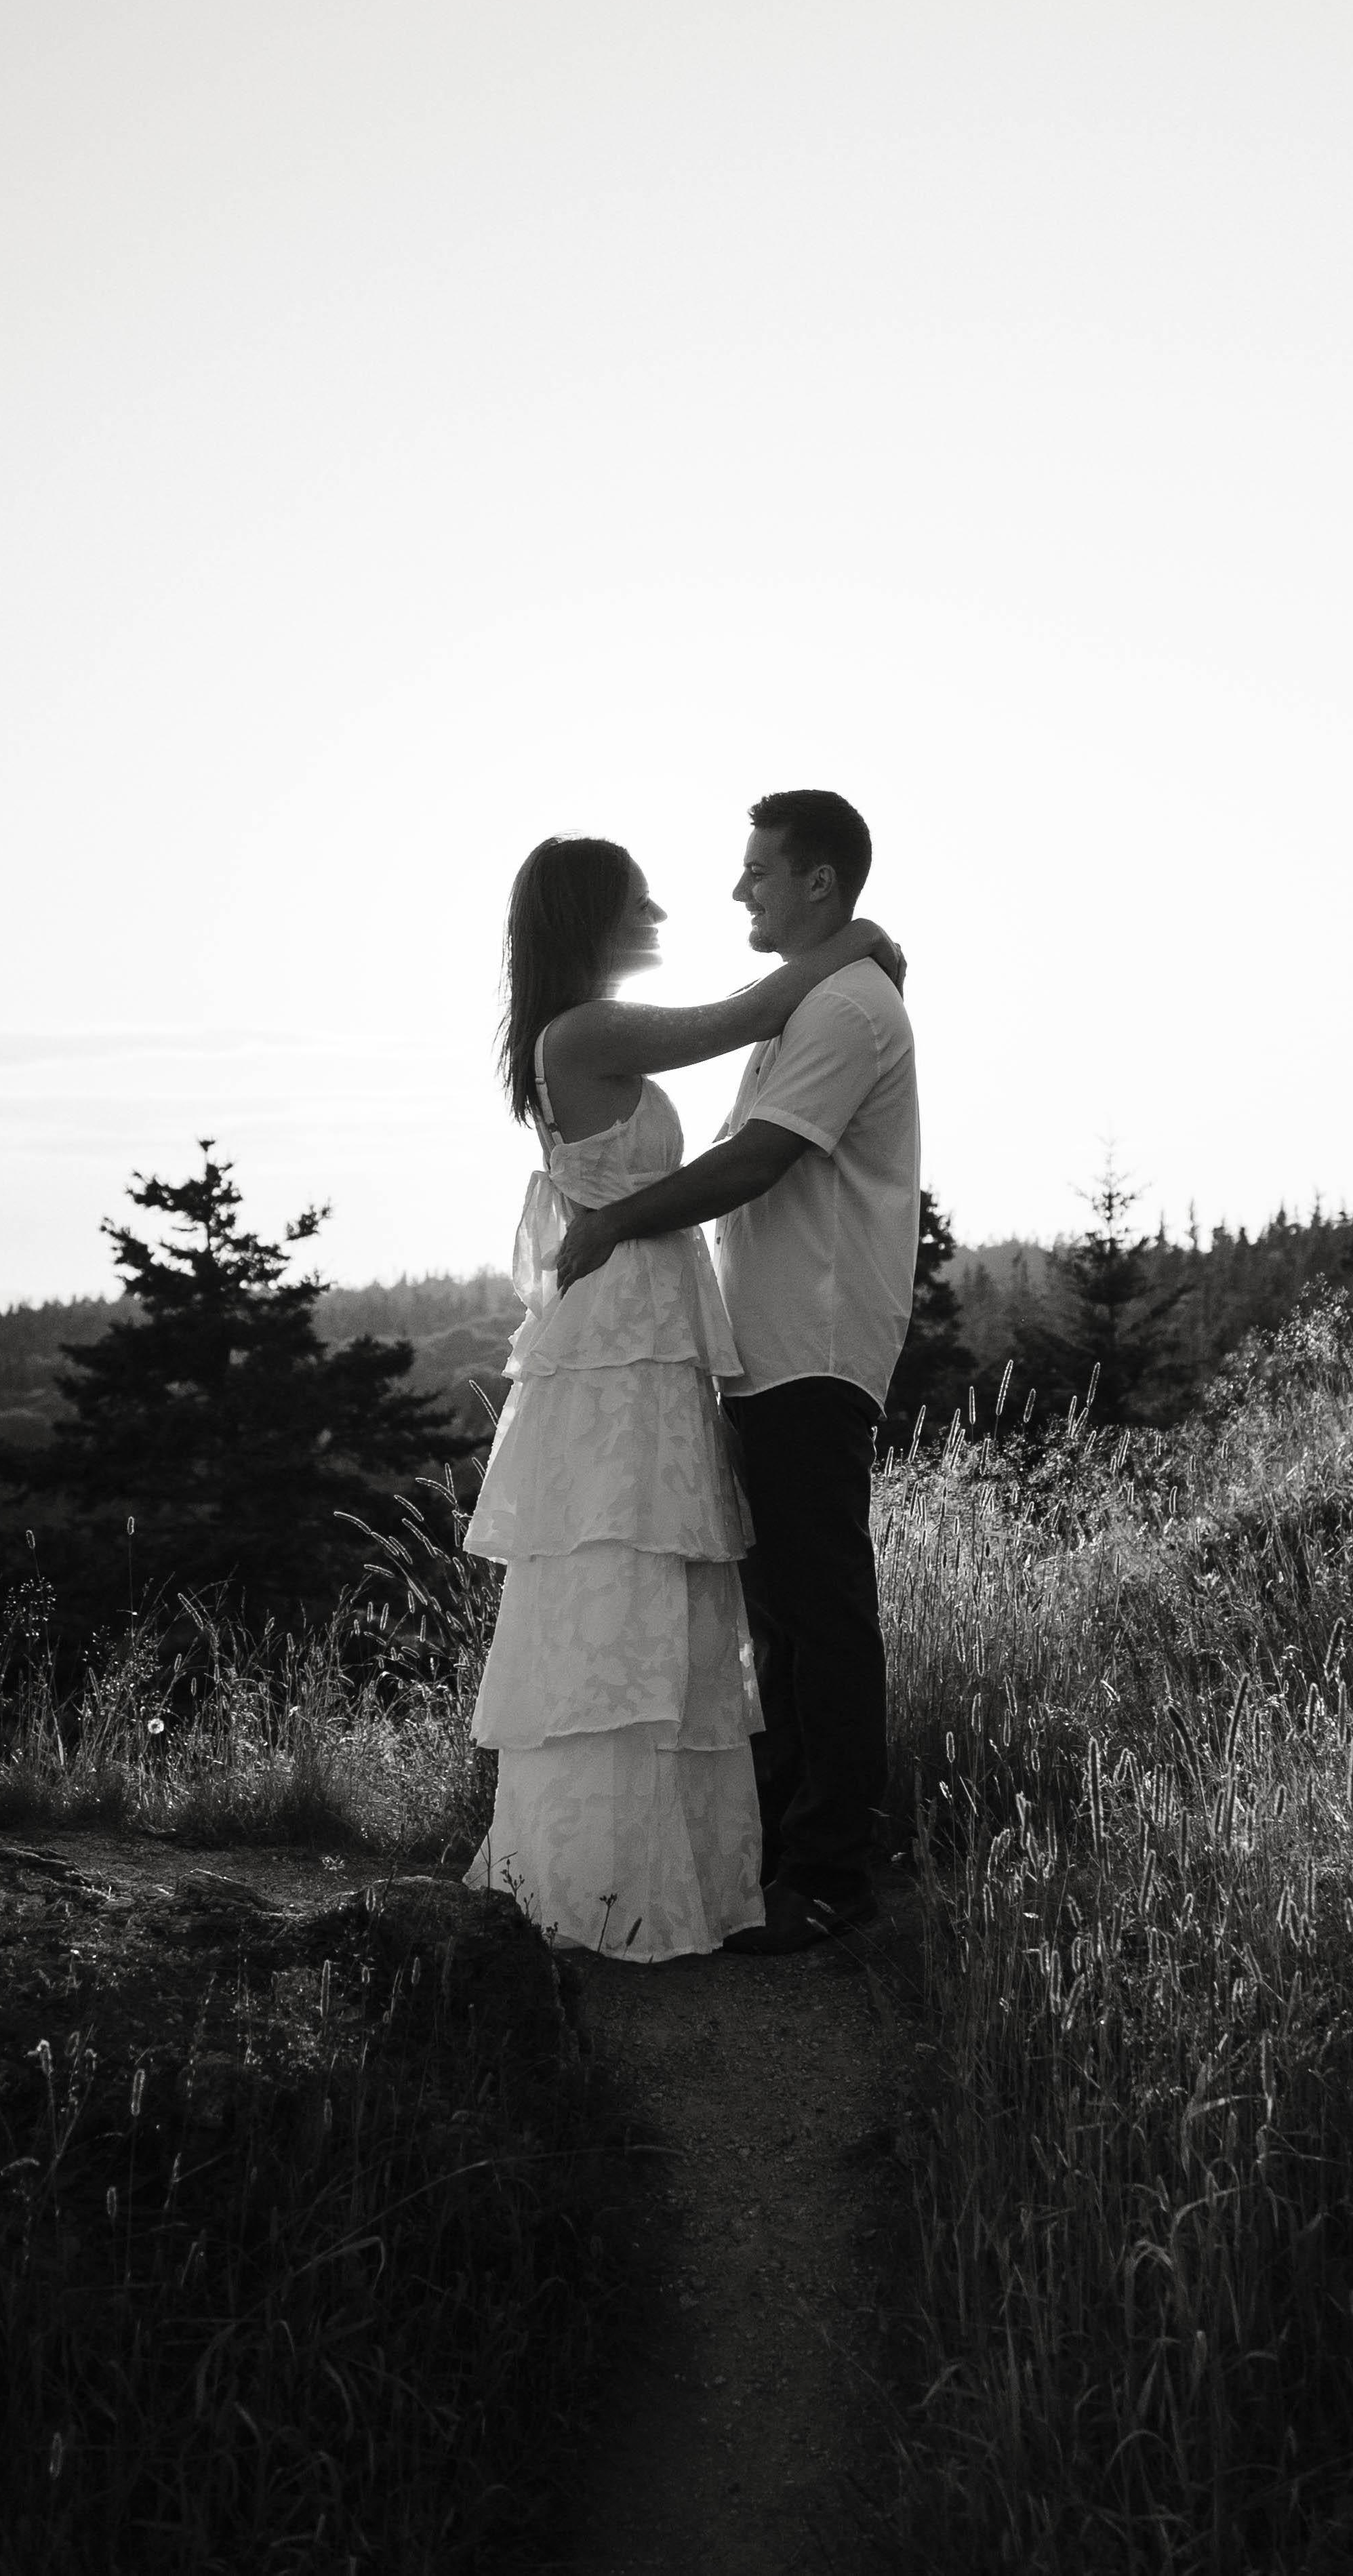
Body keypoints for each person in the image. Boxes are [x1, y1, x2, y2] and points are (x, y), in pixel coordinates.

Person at [465, 833, 906, 1962]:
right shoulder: (587, 1032)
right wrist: (860, 937)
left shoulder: (579, 1033)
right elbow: (738, 1019)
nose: (661, 912)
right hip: (628, 1329)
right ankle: (629, 1858)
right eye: (637, 900)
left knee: (659, 1571)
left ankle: (668, 1852)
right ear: (587, 918)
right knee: (630, 1558)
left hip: (652, 1323)